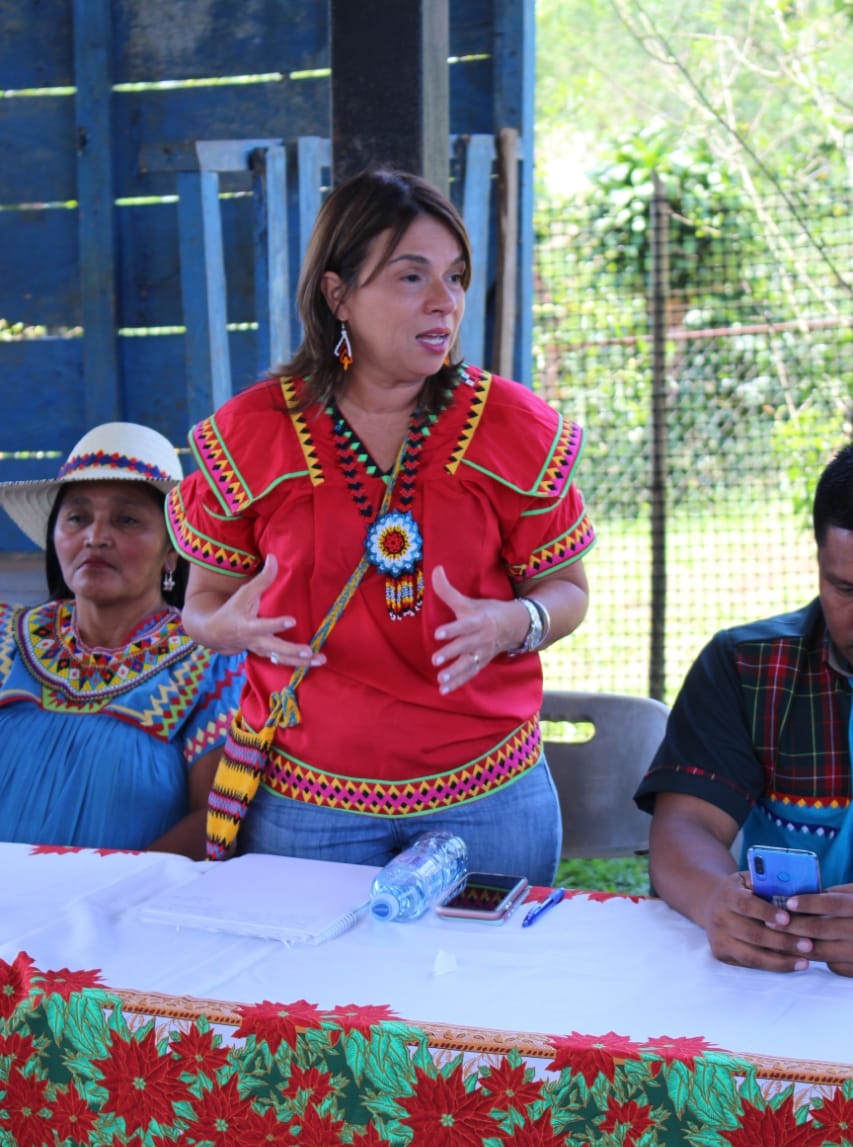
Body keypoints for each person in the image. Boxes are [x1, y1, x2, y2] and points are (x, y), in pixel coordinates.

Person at [166, 167, 596, 880]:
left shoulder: (513, 427)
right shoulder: (253, 433)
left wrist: (513, 623)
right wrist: (222, 629)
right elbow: (202, 605)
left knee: (486, 989)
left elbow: (567, 591)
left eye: (455, 277)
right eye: (410, 277)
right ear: (338, 293)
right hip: (307, 804)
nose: (444, 302)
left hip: (489, 797)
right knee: (313, 994)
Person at [635, 442, 853, 977]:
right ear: (819, 562)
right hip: (781, 989)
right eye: (845, 588)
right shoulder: (745, 668)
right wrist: (717, 903)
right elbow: (685, 825)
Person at [0, 421, 244, 858]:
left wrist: (109, 896)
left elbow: (215, 815)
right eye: (77, 517)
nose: (95, 536)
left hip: (121, 913)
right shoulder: (6, 640)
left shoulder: (211, 663)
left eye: (127, 519)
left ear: (173, 549)